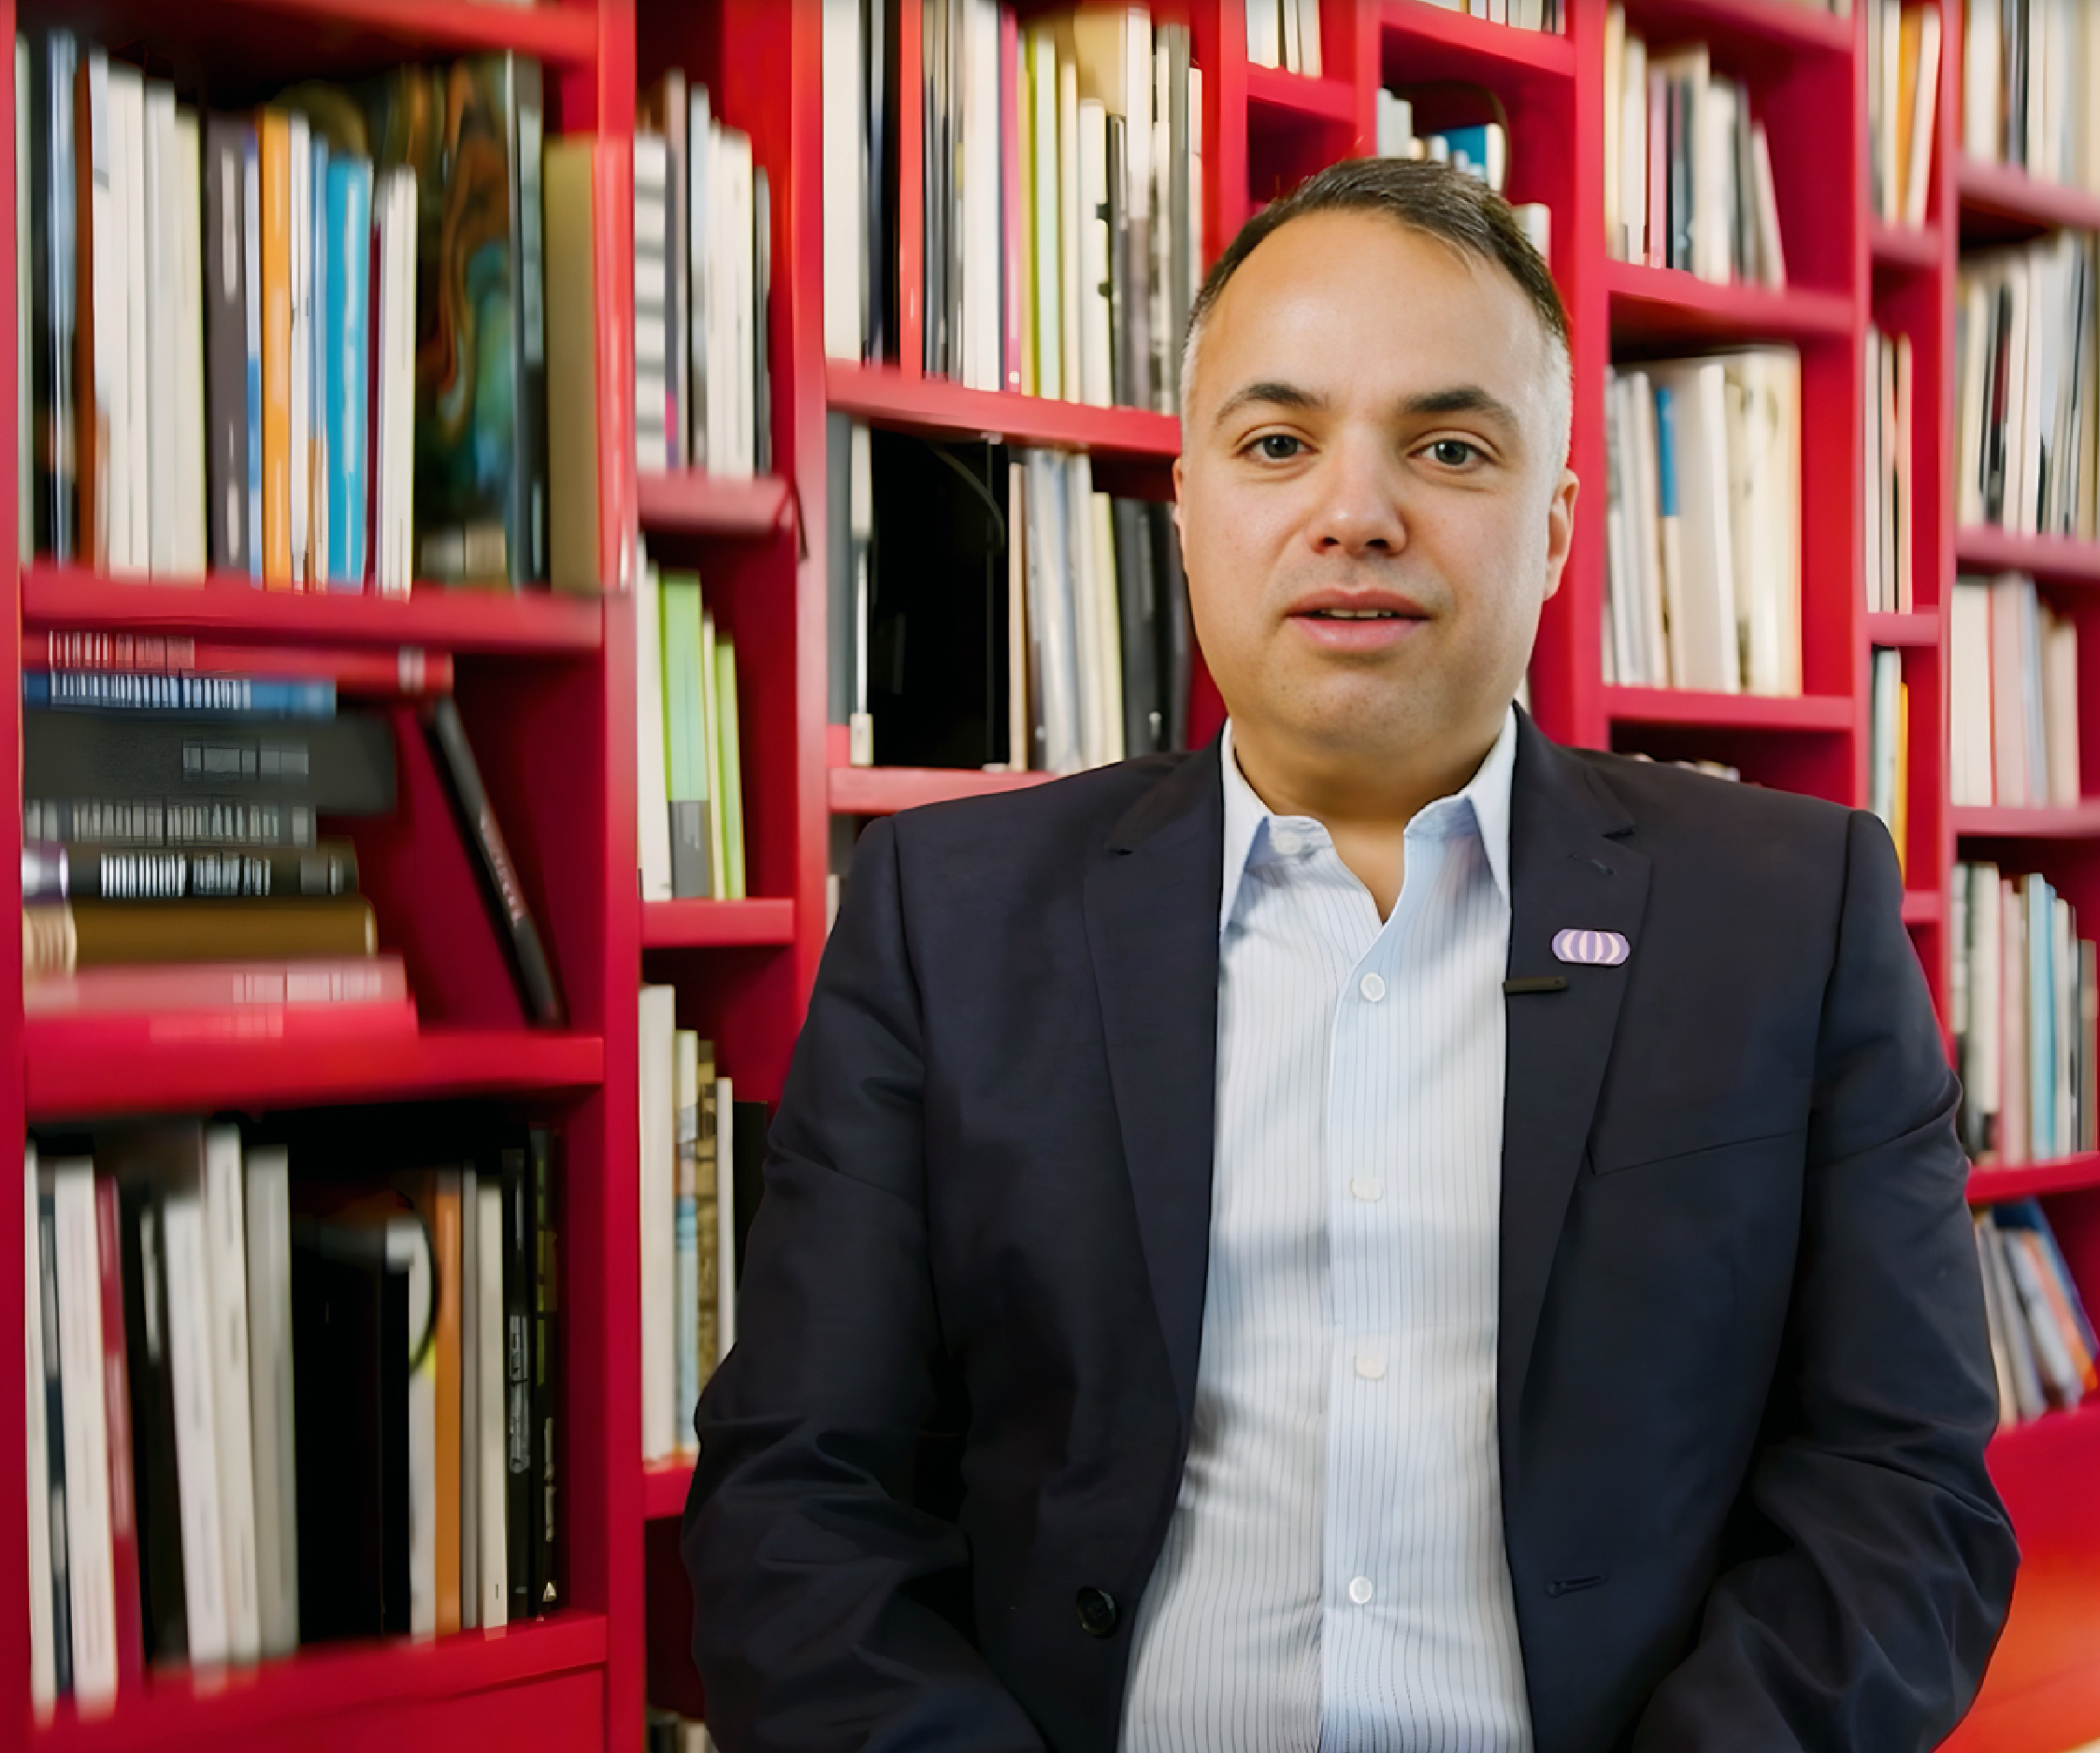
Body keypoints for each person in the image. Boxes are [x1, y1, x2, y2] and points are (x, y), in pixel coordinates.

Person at [684, 156, 2015, 1753]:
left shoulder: (1788, 912)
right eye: (1275, 442)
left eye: (1449, 447)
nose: (1355, 513)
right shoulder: (942, 917)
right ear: (1186, 506)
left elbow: (1901, 1490)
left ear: (1555, 529)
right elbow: (800, 1504)